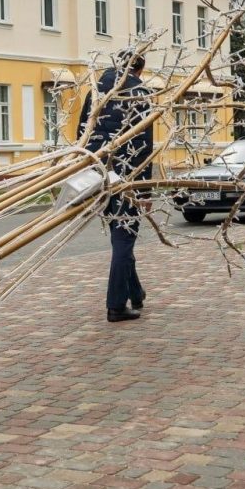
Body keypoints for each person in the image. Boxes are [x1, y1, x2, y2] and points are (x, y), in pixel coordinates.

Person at [78, 54, 154, 322]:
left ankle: (136, 292)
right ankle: (116, 306)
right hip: (126, 174)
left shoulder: (96, 90)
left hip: (99, 172)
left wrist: (85, 170)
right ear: (139, 70)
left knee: (120, 235)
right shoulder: (139, 93)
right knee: (125, 238)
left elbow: (83, 132)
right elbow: (144, 144)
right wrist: (144, 190)